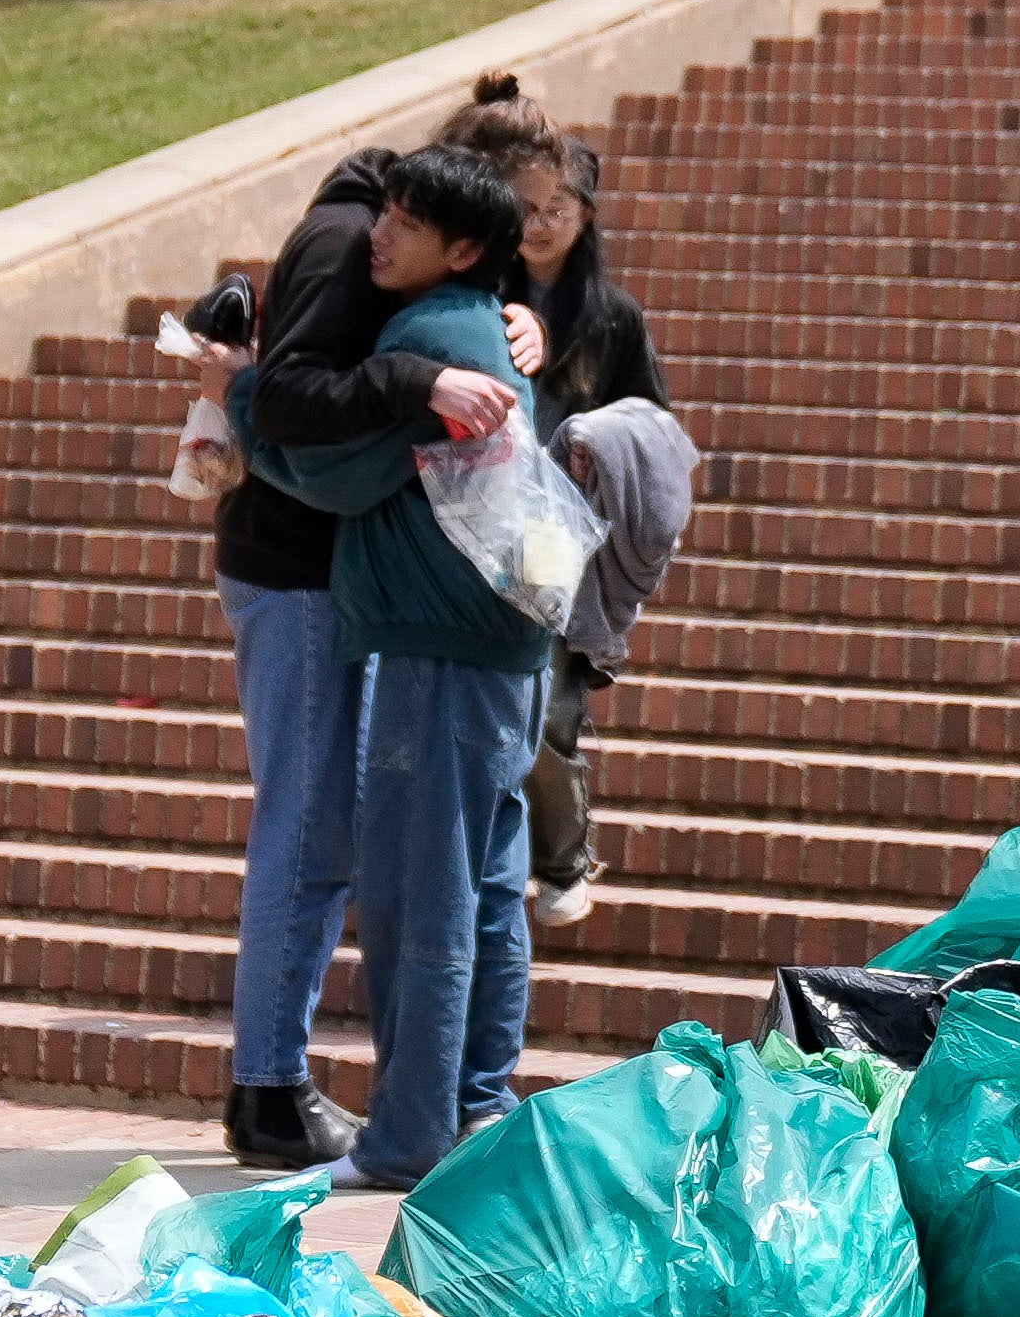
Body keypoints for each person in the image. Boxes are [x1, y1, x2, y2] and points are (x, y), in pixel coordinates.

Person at [230, 147, 553, 1188]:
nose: (381, 233)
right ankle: (477, 1105)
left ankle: (410, 1134)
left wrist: (239, 400)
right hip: (502, 648)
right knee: (492, 891)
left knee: (424, 898)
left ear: (460, 249)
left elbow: (327, 473)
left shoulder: (431, 336)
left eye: (406, 224)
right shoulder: (483, 324)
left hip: (436, 645)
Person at [184, 147, 461, 1173]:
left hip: (295, 573)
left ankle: (273, 1077)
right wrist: (421, 376)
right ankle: (267, 1089)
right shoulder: (352, 244)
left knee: (313, 829)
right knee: (307, 831)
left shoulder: (336, 229)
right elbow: (295, 395)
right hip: (294, 573)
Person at [440, 76, 698, 917]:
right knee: (492, 701)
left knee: (548, 703)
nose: (544, 222)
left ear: (586, 216)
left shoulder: (610, 315)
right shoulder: (477, 296)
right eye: (531, 206)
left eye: (562, 206)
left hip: (563, 529)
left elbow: (657, 425)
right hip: (481, 514)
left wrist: (602, 441)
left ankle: (561, 861)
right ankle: (492, 850)